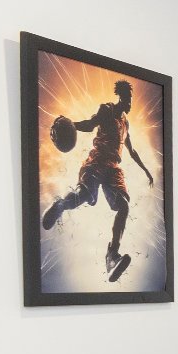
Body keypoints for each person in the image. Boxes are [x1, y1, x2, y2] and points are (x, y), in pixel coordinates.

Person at [40, 79, 154, 281]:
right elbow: (89, 124)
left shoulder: (125, 123)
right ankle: (60, 205)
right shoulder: (107, 110)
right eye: (128, 98)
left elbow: (132, 150)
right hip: (98, 160)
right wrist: (69, 126)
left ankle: (112, 257)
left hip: (113, 168)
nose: (130, 103)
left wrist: (146, 171)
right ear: (121, 97)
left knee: (124, 206)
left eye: (131, 99)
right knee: (84, 195)